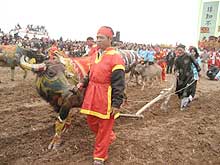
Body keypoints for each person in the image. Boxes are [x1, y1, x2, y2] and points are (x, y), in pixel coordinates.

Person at [80, 26, 125, 165]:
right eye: (97, 37)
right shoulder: (95, 55)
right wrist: (82, 83)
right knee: (91, 122)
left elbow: (119, 83)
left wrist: (116, 103)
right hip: (92, 94)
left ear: (110, 39)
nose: (97, 40)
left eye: (101, 38)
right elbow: (90, 74)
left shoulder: (116, 58)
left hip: (106, 95)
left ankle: (99, 157)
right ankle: (109, 137)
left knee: (104, 128)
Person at [174, 44, 201, 111]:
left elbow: (196, 63)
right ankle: (186, 101)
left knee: (186, 91)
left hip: (189, 76)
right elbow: (176, 68)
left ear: (184, 49)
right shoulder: (176, 59)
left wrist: (198, 71)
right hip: (181, 78)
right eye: (178, 50)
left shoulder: (189, 56)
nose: (179, 51)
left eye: (181, 50)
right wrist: (176, 72)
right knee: (180, 91)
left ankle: (183, 106)